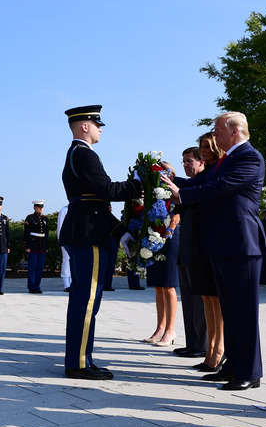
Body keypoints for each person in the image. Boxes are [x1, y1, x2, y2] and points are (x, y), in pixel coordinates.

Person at [161, 112, 266, 391]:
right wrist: (169, 180)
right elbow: (200, 183)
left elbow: (221, 187)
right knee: (230, 310)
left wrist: (180, 193)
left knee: (243, 311)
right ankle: (232, 365)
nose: (214, 134)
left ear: (235, 131)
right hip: (222, 243)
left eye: (218, 129)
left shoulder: (249, 157)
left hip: (241, 244)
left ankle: (250, 371)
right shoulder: (227, 159)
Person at [60, 105, 141, 380]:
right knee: (87, 300)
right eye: (97, 124)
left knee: (85, 300)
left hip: (86, 230)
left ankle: (80, 358)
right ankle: (79, 364)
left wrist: (120, 232)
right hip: (88, 235)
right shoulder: (84, 154)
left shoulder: (78, 154)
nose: (100, 128)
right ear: (84, 126)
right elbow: (107, 191)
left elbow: (97, 204)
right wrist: (137, 185)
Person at [187, 132, 226, 373]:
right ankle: (211, 347)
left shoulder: (218, 170)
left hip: (215, 239)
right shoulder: (206, 173)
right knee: (207, 297)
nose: (203, 150)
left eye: (206, 146)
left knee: (216, 298)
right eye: (200, 147)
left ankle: (219, 349)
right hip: (201, 240)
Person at [172, 147, 208, 359]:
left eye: (189, 161)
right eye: (183, 161)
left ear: (201, 162)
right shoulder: (186, 186)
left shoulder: (204, 183)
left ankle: (202, 343)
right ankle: (192, 342)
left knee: (199, 299)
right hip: (185, 247)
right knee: (187, 297)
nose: (186, 164)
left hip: (199, 248)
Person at [142, 161, 181, 348]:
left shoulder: (174, 190)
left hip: (170, 237)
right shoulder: (153, 194)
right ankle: (160, 327)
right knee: (158, 286)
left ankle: (170, 330)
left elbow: (178, 213)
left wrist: (170, 230)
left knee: (168, 285)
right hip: (155, 238)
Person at [24, 200, 49, 293]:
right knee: (32, 267)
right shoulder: (30, 218)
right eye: (39, 207)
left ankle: (37, 286)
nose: (41, 209)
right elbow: (26, 233)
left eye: (42, 207)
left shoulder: (45, 219)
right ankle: (31, 287)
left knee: (40, 268)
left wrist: (46, 246)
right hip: (33, 245)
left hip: (42, 246)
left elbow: (46, 234)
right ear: (35, 208)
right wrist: (27, 246)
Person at [57, 205, 71, 291]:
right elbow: (60, 227)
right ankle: (66, 284)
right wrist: (61, 240)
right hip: (67, 240)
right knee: (66, 261)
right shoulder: (64, 211)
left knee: (75, 262)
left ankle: (73, 283)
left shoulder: (78, 209)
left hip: (77, 241)